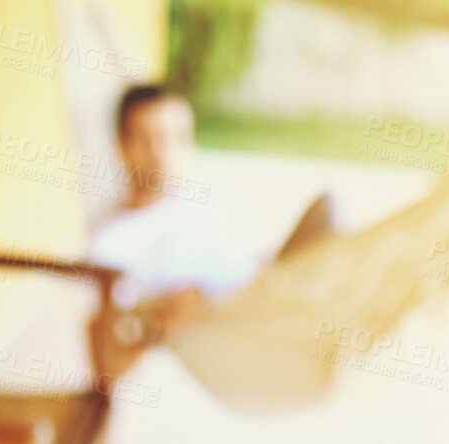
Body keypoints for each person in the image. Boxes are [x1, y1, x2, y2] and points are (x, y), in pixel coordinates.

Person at [88, 84, 339, 383]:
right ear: (122, 146)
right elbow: (105, 371)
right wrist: (159, 326)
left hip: (269, 295)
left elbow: (251, 259)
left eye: (176, 138)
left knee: (328, 208)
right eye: (148, 139)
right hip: (229, 330)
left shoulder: (204, 202)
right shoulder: (109, 242)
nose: (162, 154)